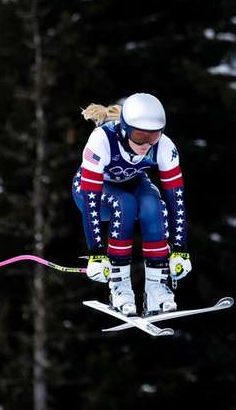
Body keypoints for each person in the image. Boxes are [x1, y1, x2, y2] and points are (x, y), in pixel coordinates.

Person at [71, 92, 192, 316]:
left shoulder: (164, 146)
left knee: (153, 204)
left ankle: (156, 288)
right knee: (124, 203)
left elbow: (176, 199)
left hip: (132, 183)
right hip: (92, 193)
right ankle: (120, 287)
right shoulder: (101, 140)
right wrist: (96, 253)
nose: (146, 144)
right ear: (125, 129)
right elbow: (90, 198)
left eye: (153, 136)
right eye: (139, 136)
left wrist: (180, 250)